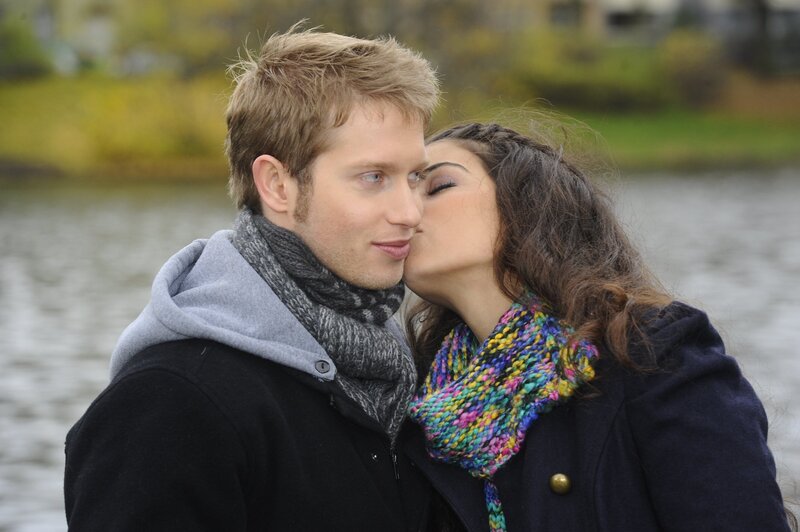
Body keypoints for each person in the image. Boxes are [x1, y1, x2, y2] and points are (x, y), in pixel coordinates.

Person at [64, 27, 439, 531]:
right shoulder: (171, 403)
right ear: (277, 185)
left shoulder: (404, 369)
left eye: (415, 176)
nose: (410, 211)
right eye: (373, 177)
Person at [401, 122, 795, 531]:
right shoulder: (420, 403)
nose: (405, 210)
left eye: (437, 186)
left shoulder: (649, 353)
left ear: (526, 205)